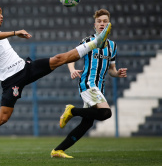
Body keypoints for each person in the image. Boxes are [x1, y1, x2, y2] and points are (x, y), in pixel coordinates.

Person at [0, 3, 111, 162]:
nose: (2, 16)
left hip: (25, 68)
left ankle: (95, 43)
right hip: (11, 80)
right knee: (3, 118)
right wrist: (15, 32)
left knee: (58, 59)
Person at [50, 9, 127, 158]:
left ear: (109, 24)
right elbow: (71, 57)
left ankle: (58, 150)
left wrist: (117, 73)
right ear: (95, 25)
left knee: (87, 124)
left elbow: (111, 69)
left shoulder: (112, 46)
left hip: (99, 87)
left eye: (105, 21)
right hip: (88, 83)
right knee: (106, 113)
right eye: (99, 21)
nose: (102, 24)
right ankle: (72, 111)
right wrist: (72, 70)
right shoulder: (88, 42)